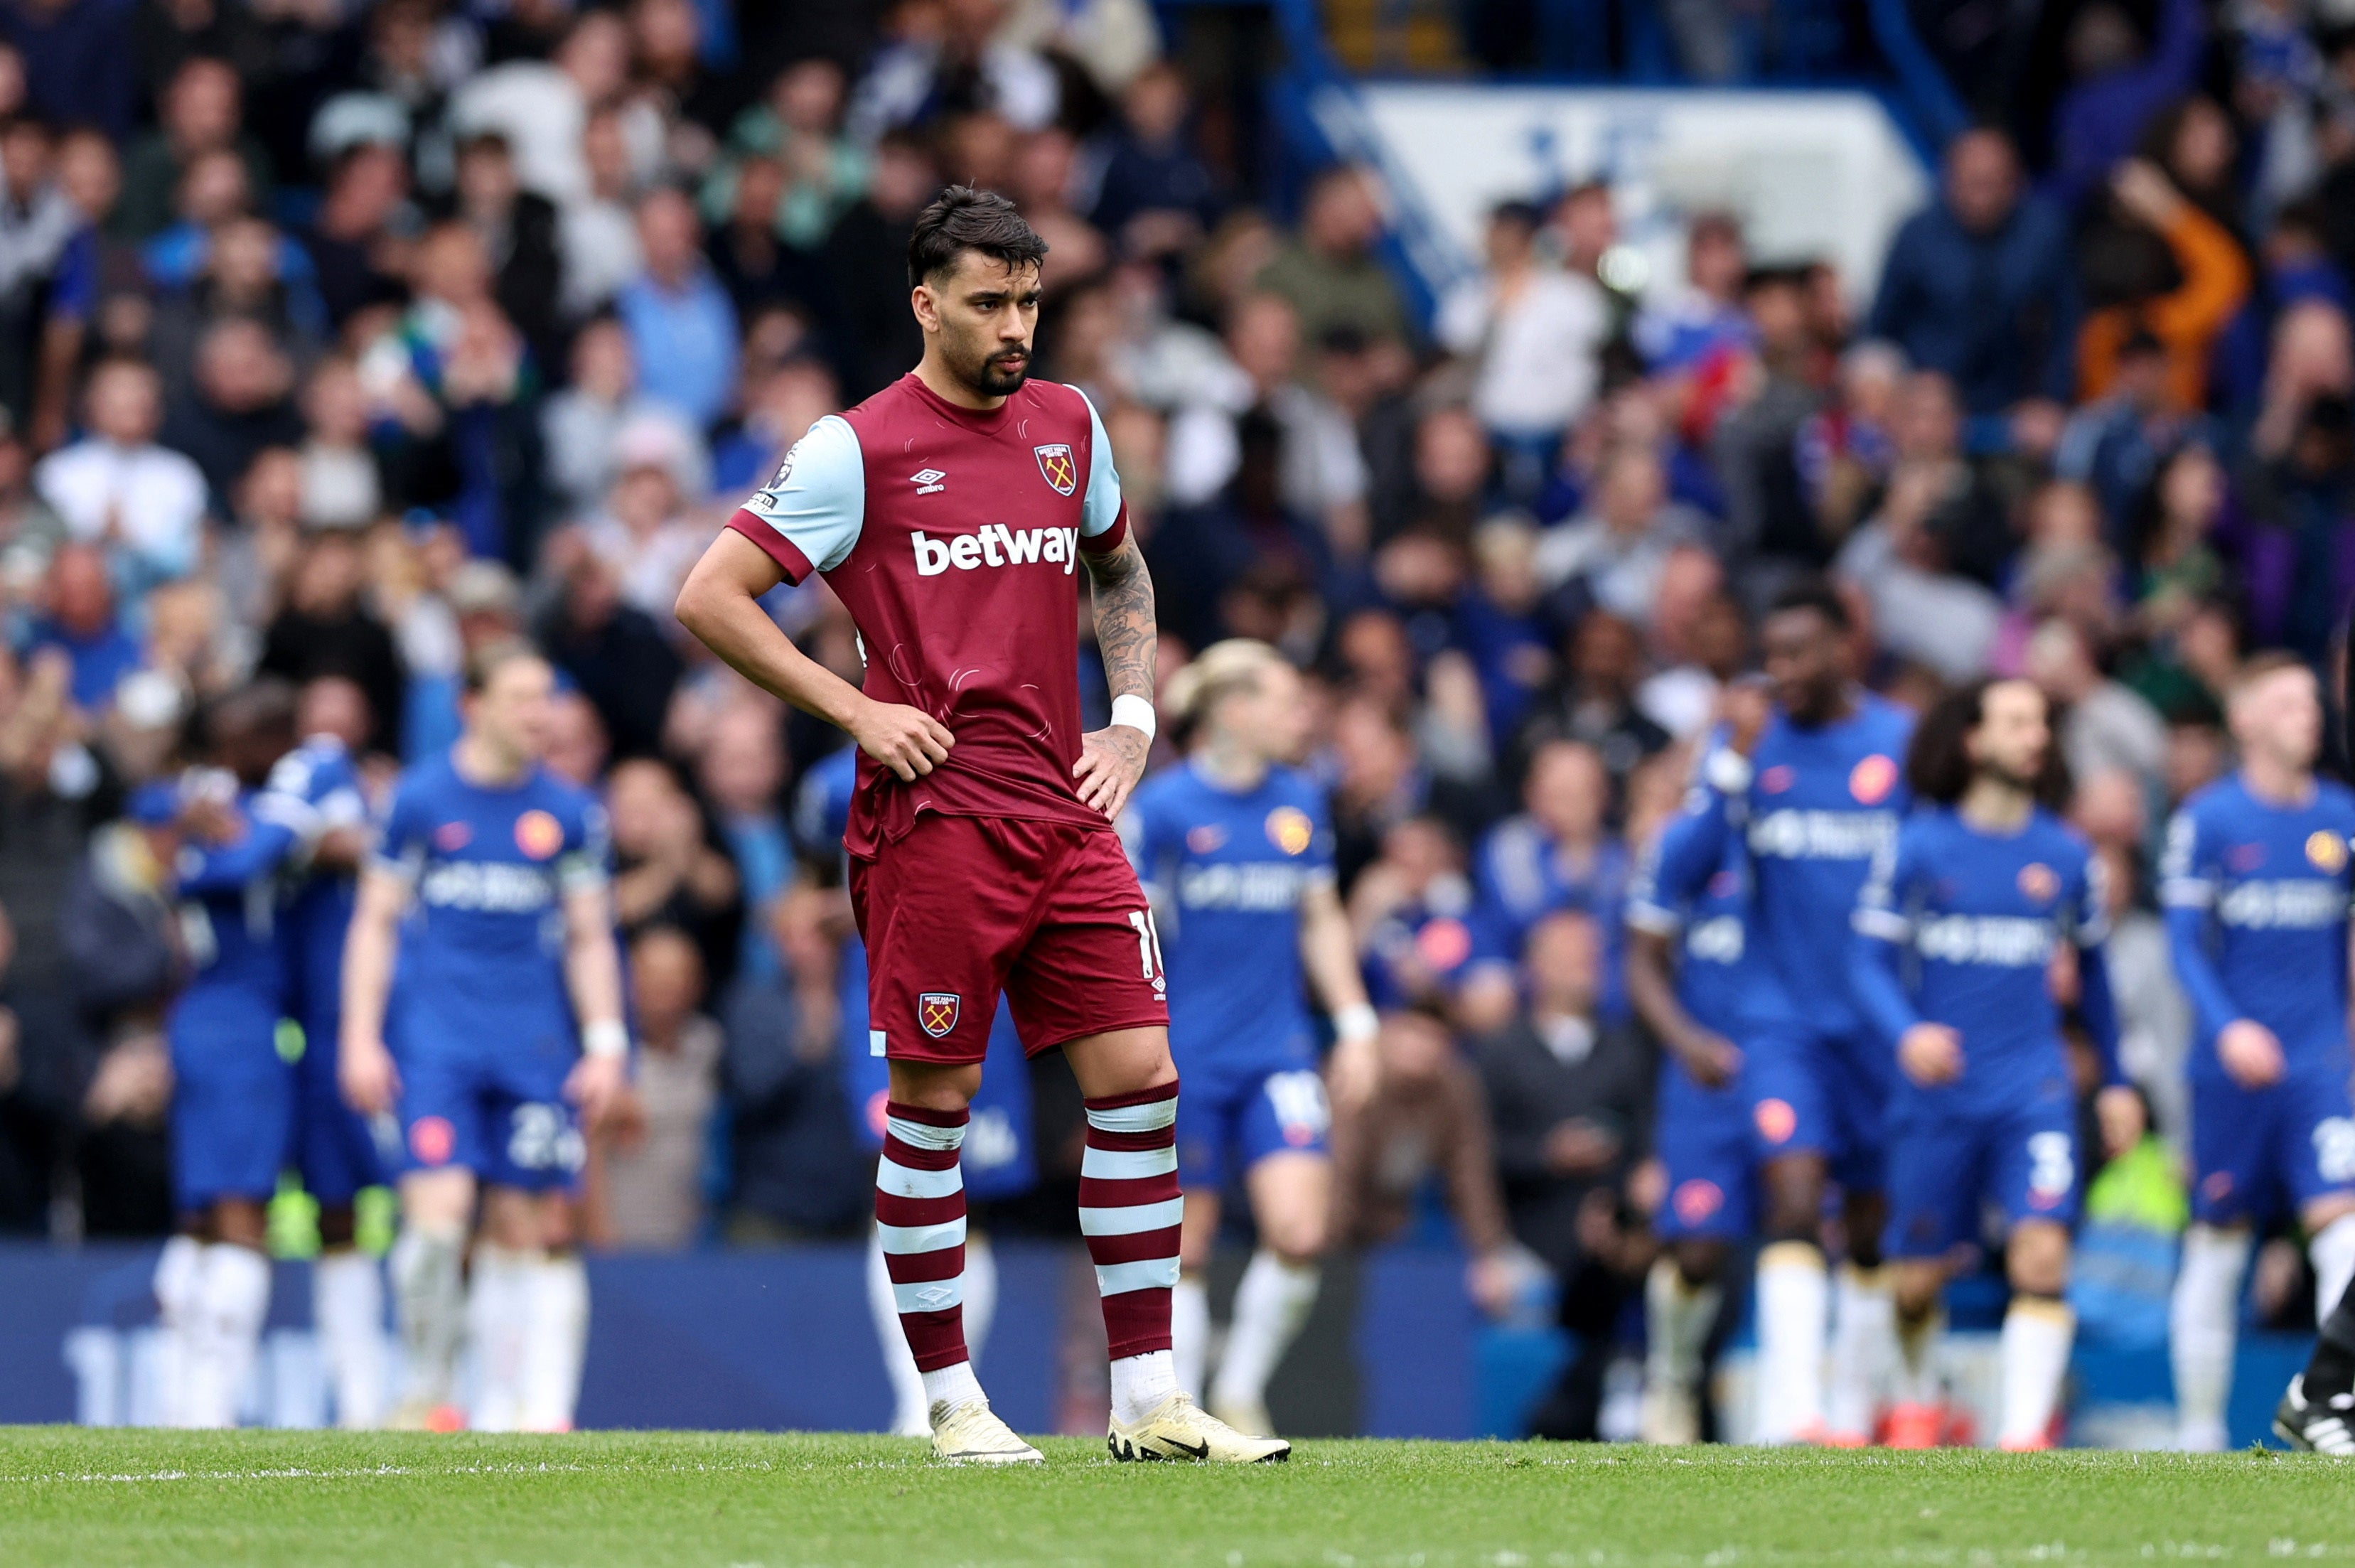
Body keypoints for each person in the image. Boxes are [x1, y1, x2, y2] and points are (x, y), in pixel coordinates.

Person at [675, 186, 1282, 1464]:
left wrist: (1129, 717)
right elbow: (709, 595)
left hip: (1065, 810)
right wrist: (855, 709)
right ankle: (950, 1402)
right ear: (926, 302)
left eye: (1030, 302)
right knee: (934, 1105)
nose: (1016, 327)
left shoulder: (1067, 424)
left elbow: (1116, 563)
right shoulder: (857, 449)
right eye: (991, 303)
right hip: (934, 821)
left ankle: (1148, 1399)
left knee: (1140, 1084)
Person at [338, 641, 630, 1434]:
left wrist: (605, 1041)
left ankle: (526, 1408)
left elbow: (590, 936)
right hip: (434, 1044)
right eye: (522, 698)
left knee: (526, 1227)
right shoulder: (419, 800)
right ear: (472, 705)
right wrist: (359, 1036)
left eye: (546, 698)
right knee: (435, 1225)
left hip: (534, 1046)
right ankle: (425, 1386)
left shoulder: (570, 812)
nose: (540, 714)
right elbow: (374, 921)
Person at [1850, 677, 2142, 1449]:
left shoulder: (2066, 856)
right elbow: (1867, 964)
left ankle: (2021, 1440)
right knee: (1914, 1279)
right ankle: (1914, 1396)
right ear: (1973, 740)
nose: (2034, 736)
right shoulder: (1918, 847)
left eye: (2041, 722)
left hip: (2032, 1085)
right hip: (1936, 1090)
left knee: (2041, 1249)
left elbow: (2099, 982)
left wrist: (2114, 1080)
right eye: (2016, 721)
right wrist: (1905, 1032)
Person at [1120, 639, 1379, 1437]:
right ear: (1234, 710)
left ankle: (1239, 1390)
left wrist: (1357, 1022)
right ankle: (1183, 1407)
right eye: (1283, 699)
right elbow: (1129, 930)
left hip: (1279, 1050)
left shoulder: (1299, 803)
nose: (1302, 715)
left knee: (1302, 1230)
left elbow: (1321, 916)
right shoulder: (1161, 810)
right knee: (1187, 1244)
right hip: (1187, 1054)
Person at [1679, 583, 1914, 1444]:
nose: (1779, 673)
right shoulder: (1745, 742)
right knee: (1791, 1192)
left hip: (1880, 1024)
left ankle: (1850, 1406)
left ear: (1844, 649)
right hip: (1781, 1020)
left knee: (1869, 1220)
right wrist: (1731, 763)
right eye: (1768, 655)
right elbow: (1684, 861)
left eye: (1797, 653)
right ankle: (1791, 1413)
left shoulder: (1899, 743)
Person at [793, 739, 1040, 1438]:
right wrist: (817, 975)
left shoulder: (1003, 747)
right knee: (905, 1166)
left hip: (982, 990)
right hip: (882, 990)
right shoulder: (831, 778)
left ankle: (963, 1393)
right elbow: (807, 891)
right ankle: (918, 1401)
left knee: (976, 1194)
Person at [2160, 653, 2355, 1451]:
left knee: (2343, 1227)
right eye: (2283, 703)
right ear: (2242, 719)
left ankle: (2336, 1404)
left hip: (2319, 1062)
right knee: (2218, 1238)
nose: (2305, 715)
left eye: (2310, 703)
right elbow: (2183, 944)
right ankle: (2197, 1430)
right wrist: (2227, 1026)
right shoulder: (2207, 818)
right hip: (2228, 1068)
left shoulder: (2341, 815)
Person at [1623, 743, 1792, 1444]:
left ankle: (1799, 1402)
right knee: (1696, 1248)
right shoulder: (1688, 852)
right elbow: (1643, 964)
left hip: (1792, 1066)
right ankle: (1671, 1375)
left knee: (1802, 1221)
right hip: (1707, 1073)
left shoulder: (1796, 857)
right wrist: (1687, 1041)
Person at [154, 681, 309, 1429]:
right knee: (243, 1207)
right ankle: (209, 1413)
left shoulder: (188, 810)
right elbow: (254, 858)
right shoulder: (245, 815)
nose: (285, 748)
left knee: (200, 1209)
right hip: (240, 1020)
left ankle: (179, 1401)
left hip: (199, 1016)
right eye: (271, 734)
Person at [270, 675, 390, 1430]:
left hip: (386, 1019)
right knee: (332, 1205)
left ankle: (416, 1390)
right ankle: (359, 1400)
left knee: (437, 1198)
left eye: (346, 710)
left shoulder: (382, 788)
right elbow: (297, 839)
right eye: (319, 709)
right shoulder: (303, 780)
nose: (331, 725)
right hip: (317, 1023)